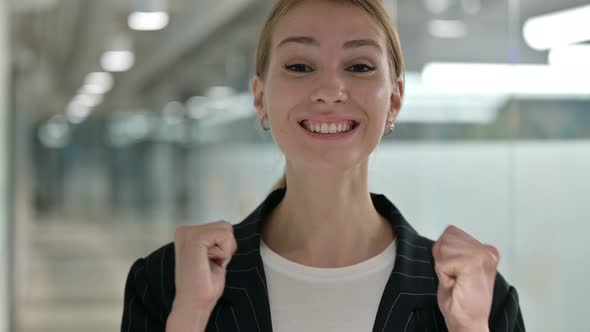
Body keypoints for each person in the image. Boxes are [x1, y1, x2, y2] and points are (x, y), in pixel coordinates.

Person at [121, 0, 525, 331]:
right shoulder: (165, 284)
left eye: (360, 66)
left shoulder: (479, 297)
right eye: (299, 66)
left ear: (395, 100)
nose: (330, 91)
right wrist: (189, 318)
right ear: (260, 97)